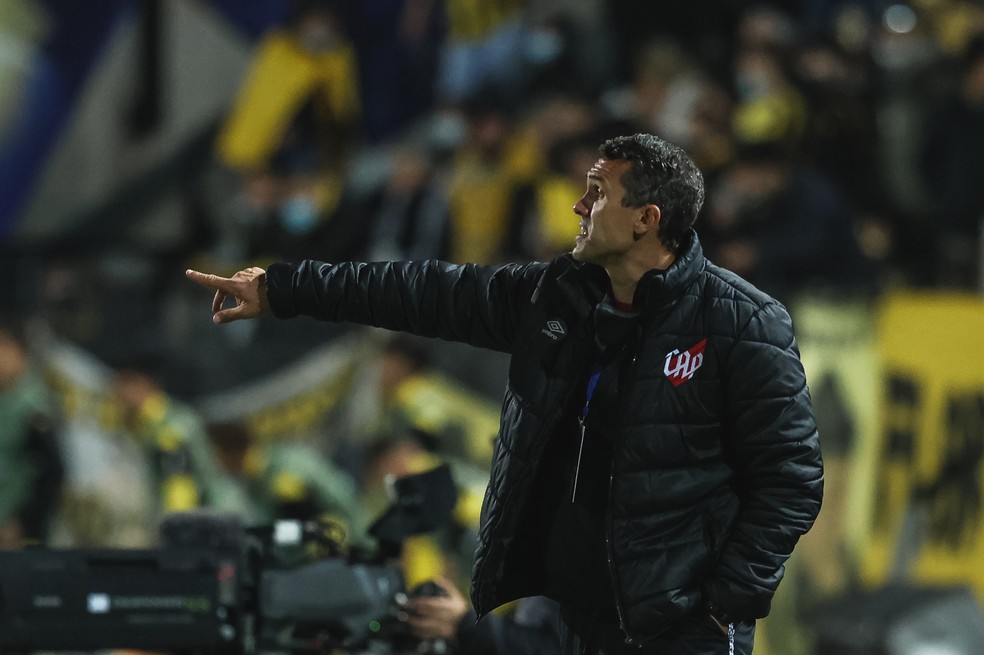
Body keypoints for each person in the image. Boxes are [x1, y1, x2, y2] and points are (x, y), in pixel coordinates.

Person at [187, 133, 824, 654]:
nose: (577, 206)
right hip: (574, 617)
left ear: (646, 220)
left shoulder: (743, 323)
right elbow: (424, 293)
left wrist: (725, 602)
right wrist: (283, 288)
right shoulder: (557, 296)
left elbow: (792, 480)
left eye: (597, 193)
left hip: (681, 629)